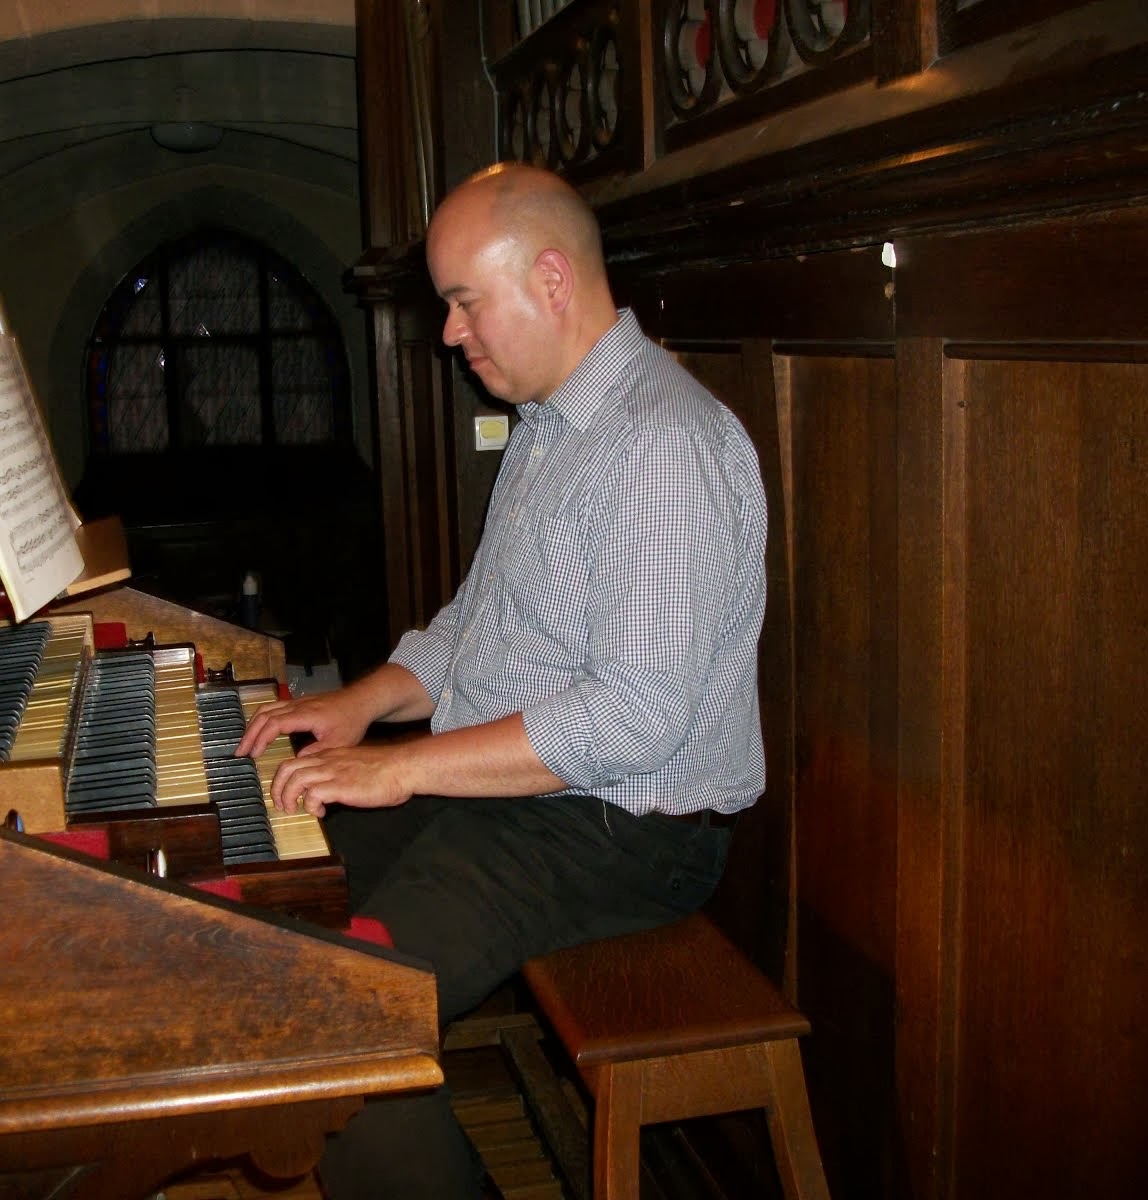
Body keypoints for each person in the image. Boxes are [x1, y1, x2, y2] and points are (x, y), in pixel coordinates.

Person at [234, 161, 768, 1200]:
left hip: (620, 833)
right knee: (272, 896)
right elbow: (473, 634)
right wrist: (360, 705)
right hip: (524, 798)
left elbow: (634, 718)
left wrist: (402, 771)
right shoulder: (551, 425)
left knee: (347, 1036)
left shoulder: (659, 443)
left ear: (553, 280)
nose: (448, 334)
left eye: (463, 302)